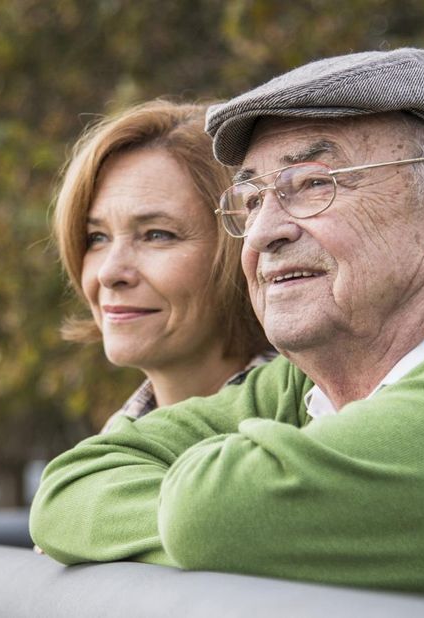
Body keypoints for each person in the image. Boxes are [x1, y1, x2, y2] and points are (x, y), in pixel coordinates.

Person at [30, 48, 424, 615]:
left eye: (313, 184)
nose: (260, 236)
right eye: (252, 199)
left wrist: (220, 524)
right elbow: (70, 489)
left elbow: (220, 516)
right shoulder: (305, 381)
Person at [51, 100, 274, 433]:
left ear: (242, 243)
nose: (109, 273)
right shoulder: (107, 457)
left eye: (157, 235)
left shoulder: (320, 425)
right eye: (97, 237)